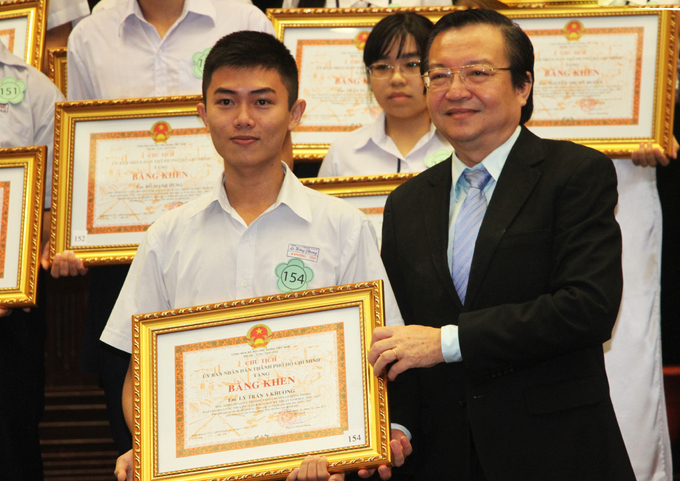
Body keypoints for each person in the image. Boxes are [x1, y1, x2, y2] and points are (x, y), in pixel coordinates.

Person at [99, 30, 409, 481]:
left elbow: (380, 353)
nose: (243, 118)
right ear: (203, 114)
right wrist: (151, 449)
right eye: (226, 102)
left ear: (295, 113)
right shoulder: (166, 236)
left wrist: (353, 446)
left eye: (263, 102)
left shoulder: (343, 226)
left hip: (315, 466)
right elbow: (139, 374)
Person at [368, 9, 635, 481]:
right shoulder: (406, 203)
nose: (455, 90)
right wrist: (394, 425)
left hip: (555, 453)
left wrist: (447, 342)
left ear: (523, 85)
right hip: (441, 458)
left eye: (478, 73)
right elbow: (399, 331)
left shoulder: (575, 174)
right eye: (439, 75)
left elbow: (587, 308)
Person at [49, 0, 277, 456]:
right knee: (141, 425)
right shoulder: (90, 35)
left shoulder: (244, 18)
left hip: (234, 238)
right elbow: (80, 147)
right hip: (123, 261)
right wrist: (72, 234)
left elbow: (272, 133)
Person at [0, 41, 65, 480]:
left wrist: (11, 274)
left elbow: (55, 202)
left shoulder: (35, 91)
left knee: (11, 446)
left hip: (9, 315)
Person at [318, 13, 451, 178]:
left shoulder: (460, 145)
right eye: (382, 67)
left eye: (411, 64)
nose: (396, 79)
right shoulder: (342, 153)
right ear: (368, 76)